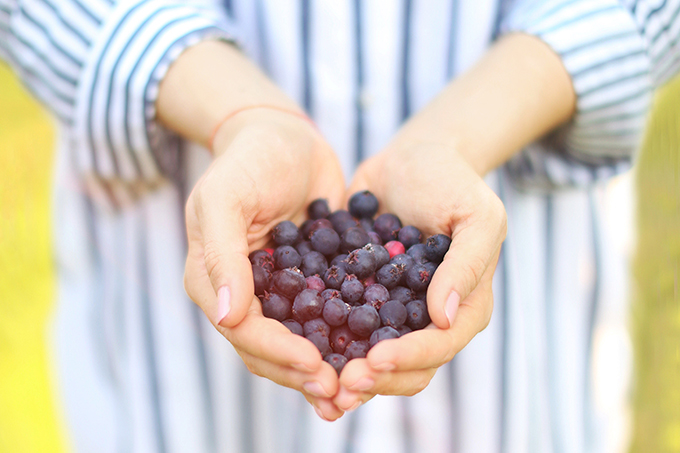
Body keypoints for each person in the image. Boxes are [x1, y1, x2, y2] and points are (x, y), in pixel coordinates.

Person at [1, 0, 678, 451]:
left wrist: (457, 137)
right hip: (178, 342)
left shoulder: (368, 264)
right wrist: (236, 113)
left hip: (512, 370)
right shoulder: (327, 263)